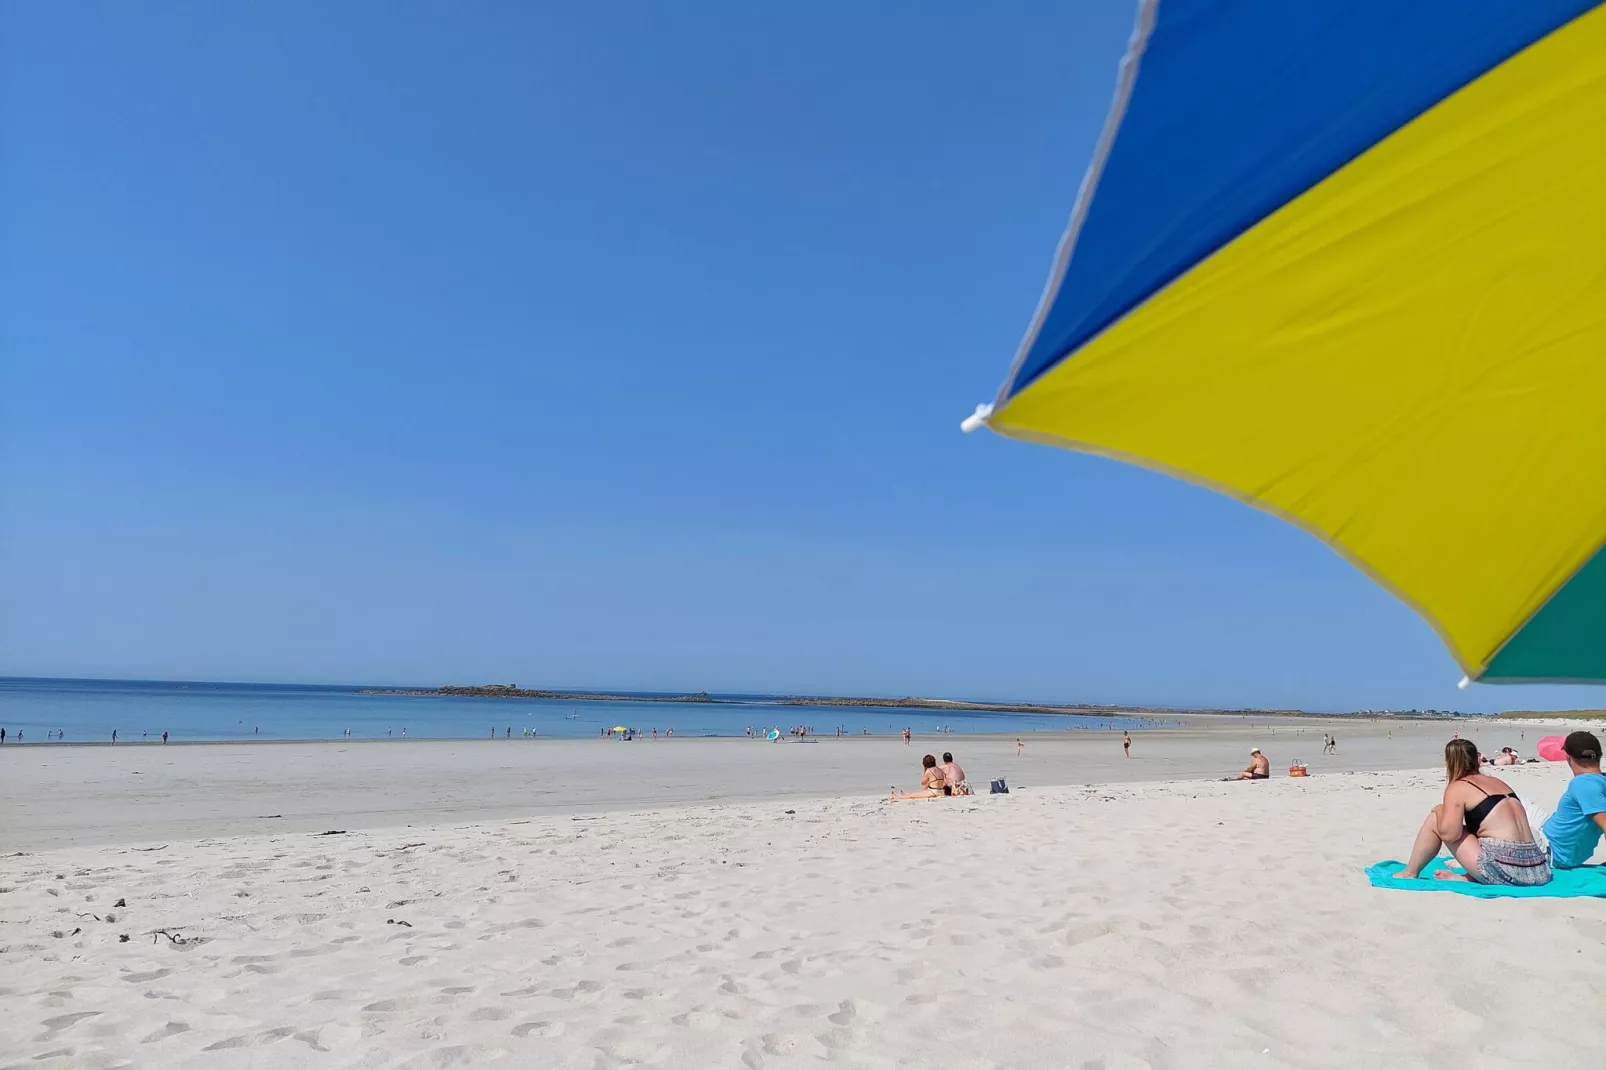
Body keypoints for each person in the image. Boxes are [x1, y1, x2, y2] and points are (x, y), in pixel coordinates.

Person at [1397, 739, 1549, 886]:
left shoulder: (1458, 787)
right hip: (1538, 868)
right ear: (1476, 758)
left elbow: (1451, 835)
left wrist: (1438, 809)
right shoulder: (1497, 782)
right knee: (1482, 827)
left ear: (1449, 762)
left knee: (1436, 817)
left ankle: (1410, 873)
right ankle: (1469, 877)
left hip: (1506, 871)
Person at [1541, 731, 1606, 869]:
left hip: (1547, 850)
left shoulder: (1582, 783)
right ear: (1600, 755)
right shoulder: (1601, 781)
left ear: (1568, 758)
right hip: (1557, 846)